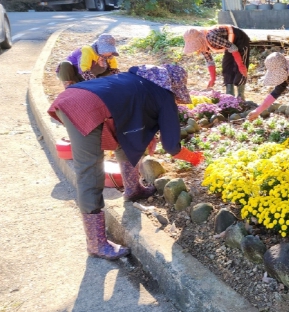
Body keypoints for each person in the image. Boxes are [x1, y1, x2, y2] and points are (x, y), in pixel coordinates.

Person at [48, 64, 204, 260]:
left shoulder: (139, 81)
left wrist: (149, 134)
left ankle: (132, 189)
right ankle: (96, 243)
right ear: (174, 85)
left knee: (126, 140)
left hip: (74, 96)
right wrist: (194, 158)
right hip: (82, 109)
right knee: (90, 171)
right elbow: (172, 146)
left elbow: (130, 118)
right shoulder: (164, 95)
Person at [183, 25, 251, 99]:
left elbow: (233, 47)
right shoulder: (202, 45)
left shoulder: (211, 37)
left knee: (240, 69)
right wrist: (212, 79)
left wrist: (240, 65)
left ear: (198, 40)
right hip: (230, 43)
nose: (196, 48)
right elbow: (210, 61)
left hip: (240, 39)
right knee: (226, 67)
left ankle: (240, 96)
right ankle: (230, 95)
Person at [56, 34, 120, 89]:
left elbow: (114, 69)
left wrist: (118, 82)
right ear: (99, 48)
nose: (107, 56)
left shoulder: (110, 55)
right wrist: (93, 84)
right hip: (74, 74)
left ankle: (94, 85)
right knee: (65, 64)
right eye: (105, 52)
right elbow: (84, 69)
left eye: (110, 52)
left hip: (88, 76)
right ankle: (70, 87)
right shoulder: (87, 50)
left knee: (108, 68)